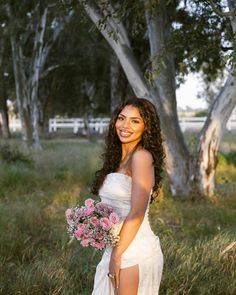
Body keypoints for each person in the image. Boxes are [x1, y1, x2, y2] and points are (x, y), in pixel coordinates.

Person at [91, 97, 165, 295]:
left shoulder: (141, 157)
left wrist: (117, 256)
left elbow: (137, 212)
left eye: (135, 121)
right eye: (122, 118)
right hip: (116, 247)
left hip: (134, 249)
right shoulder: (117, 159)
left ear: (146, 127)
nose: (125, 126)